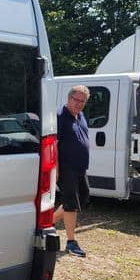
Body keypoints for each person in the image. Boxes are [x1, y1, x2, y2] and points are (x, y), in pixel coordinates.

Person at [53, 85, 90, 257]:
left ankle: (46, 222)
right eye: (76, 100)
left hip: (80, 168)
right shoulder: (60, 116)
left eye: (82, 101)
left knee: (82, 198)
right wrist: (57, 170)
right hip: (66, 167)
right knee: (71, 203)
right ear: (69, 99)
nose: (79, 104)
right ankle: (71, 242)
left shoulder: (81, 116)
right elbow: (54, 145)